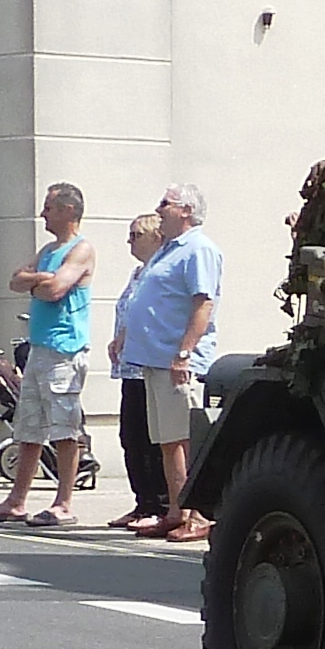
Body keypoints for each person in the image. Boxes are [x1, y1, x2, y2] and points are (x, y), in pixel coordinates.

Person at [0, 182, 97, 527]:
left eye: (49, 207)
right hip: (40, 349)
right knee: (28, 429)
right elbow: (16, 280)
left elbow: (57, 290)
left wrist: (43, 282)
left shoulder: (81, 249)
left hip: (64, 349)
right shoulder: (48, 250)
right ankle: (16, 501)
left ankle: (64, 502)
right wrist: (40, 277)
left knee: (64, 428)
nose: (43, 213)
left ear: (68, 211)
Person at [117, 182, 221, 542]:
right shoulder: (168, 249)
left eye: (166, 203)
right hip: (153, 360)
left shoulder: (199, 248)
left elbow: (203, 302)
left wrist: (185, 352)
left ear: (187, 211)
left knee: (186, 439)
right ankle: (176, 510)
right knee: (166, 440)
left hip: (176, 360)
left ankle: (198, 513)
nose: (158, 209)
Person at [107, 211, 171, 531]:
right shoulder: (137, 273)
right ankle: (141, 501)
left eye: (136, 235)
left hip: (148, 364)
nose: (130, 242)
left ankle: (159, 503)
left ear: (155, 237)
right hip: (128, 367)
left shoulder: (161, 271)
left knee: (151, 438)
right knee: (130, 436)